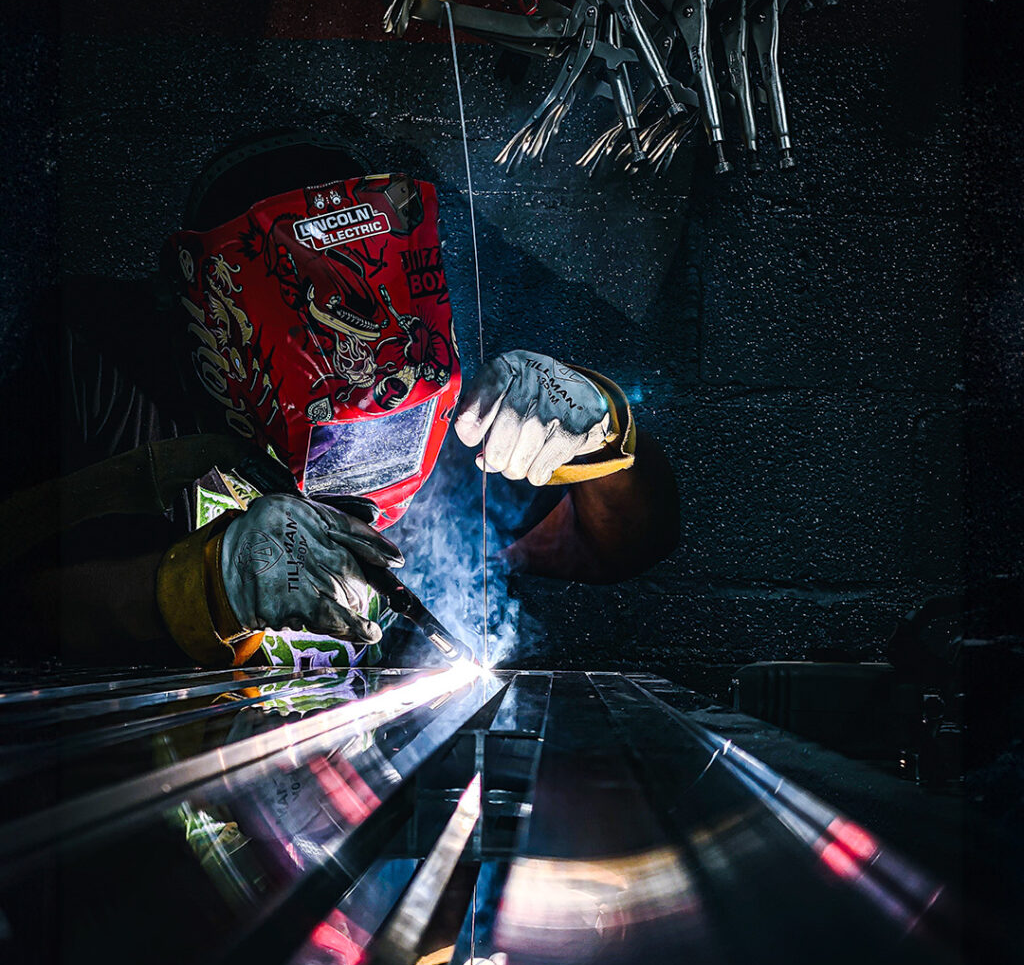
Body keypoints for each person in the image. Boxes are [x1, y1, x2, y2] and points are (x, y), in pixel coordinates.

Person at [0, 131, 679, 666]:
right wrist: (202, 585)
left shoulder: (435, 407)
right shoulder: (103, 367)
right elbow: (18, 602)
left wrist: (607, 437)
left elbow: (616, 545)